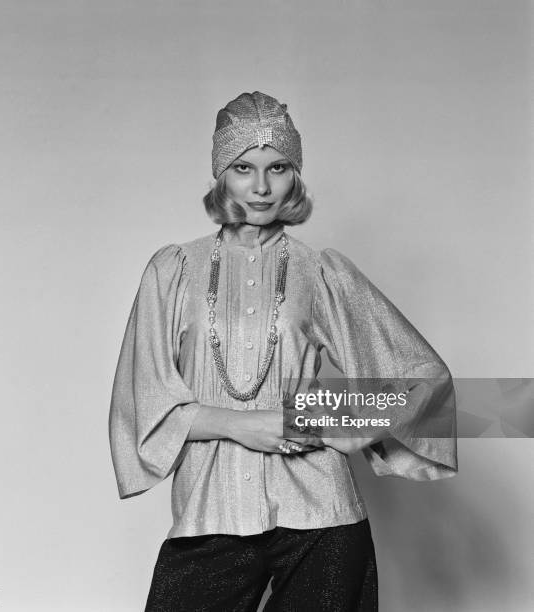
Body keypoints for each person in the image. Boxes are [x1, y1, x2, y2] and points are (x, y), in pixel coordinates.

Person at [109, 91, 458, 611]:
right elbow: (142, 402)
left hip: (322, 518)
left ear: (295, 174)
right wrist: (241, 424)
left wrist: (332, 417)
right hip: (212, 509)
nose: (262, 186)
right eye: (243, 167)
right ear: (220, 174)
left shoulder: (319, 272)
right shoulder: (173, 270)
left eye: (278, 167)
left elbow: (424, 381)